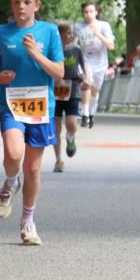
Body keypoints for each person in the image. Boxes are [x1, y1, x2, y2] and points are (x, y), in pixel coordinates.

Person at [0, 0, 64, 246]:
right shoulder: (0, 33)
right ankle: (10, 182)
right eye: (16, 2)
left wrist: (36, 54)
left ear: (36, 5)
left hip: (41, 106)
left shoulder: (49, 31)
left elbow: (59, 72)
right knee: (14, 155)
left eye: (27, 2)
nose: (20, 7)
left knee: (33, 168)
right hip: (11, 103)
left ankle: (28, 222)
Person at [52, 21, 88, 173]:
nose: (71, 35)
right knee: (56, 127)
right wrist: (55, 78)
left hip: (72, 87)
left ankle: (70, 137)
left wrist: (86, 78)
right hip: (56, 89)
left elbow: (84, 66)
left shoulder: (75, 49)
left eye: (71, 33)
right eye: (68, 33)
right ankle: (58, 160)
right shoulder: (52, 49)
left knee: (71, 124)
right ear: (60, 34)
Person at [73, 1, 114, 128]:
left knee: (95, 91)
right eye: (85, 12)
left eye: (91, 11)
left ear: (96, 12)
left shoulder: (104, 26)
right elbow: (74, 43)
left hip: (100, 63)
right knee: (86, 83)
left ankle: (91, 113)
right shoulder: (78, 26)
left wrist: (98, 34)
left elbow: (111, 46)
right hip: (85, 61)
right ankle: (85, 114)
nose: (88, 14)